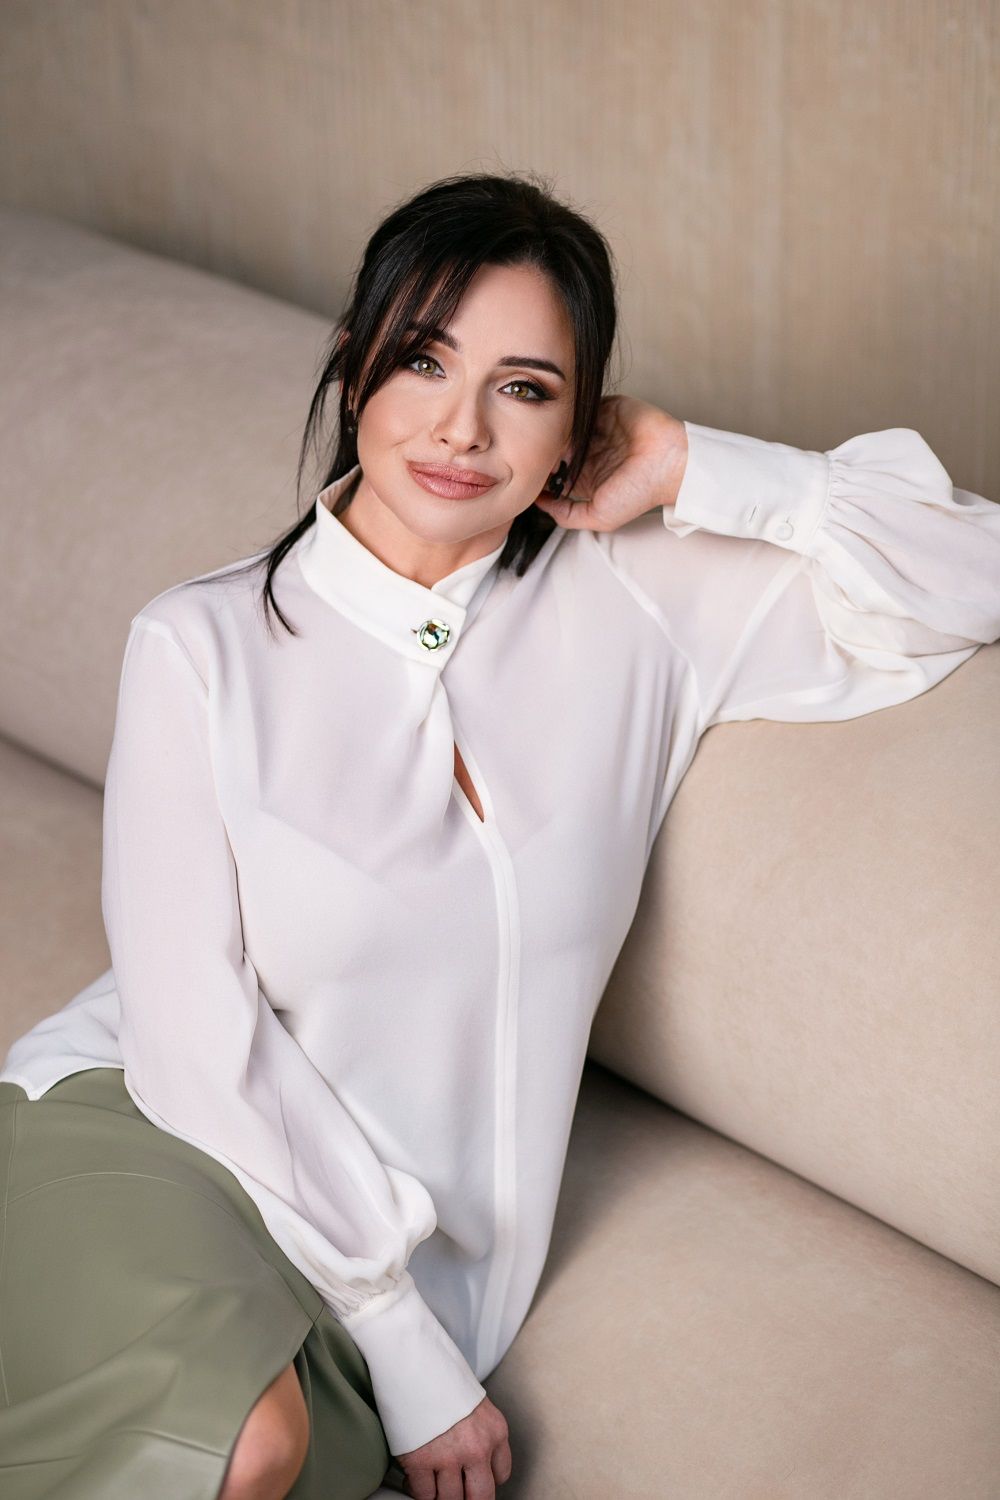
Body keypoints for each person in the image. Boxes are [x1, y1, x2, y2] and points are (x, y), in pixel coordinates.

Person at [1, 168, 998, 1500]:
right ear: (355, 364)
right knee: (246, 1449)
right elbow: (191, 1043)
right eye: (424, 360)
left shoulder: (645, 602)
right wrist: (407, 1350)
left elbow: (974, 575)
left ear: (579, 425)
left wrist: (693, 464)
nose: (461, 427)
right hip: (152, 1143)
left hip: (397, 1283)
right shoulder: (199, 646)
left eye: (524, 388)